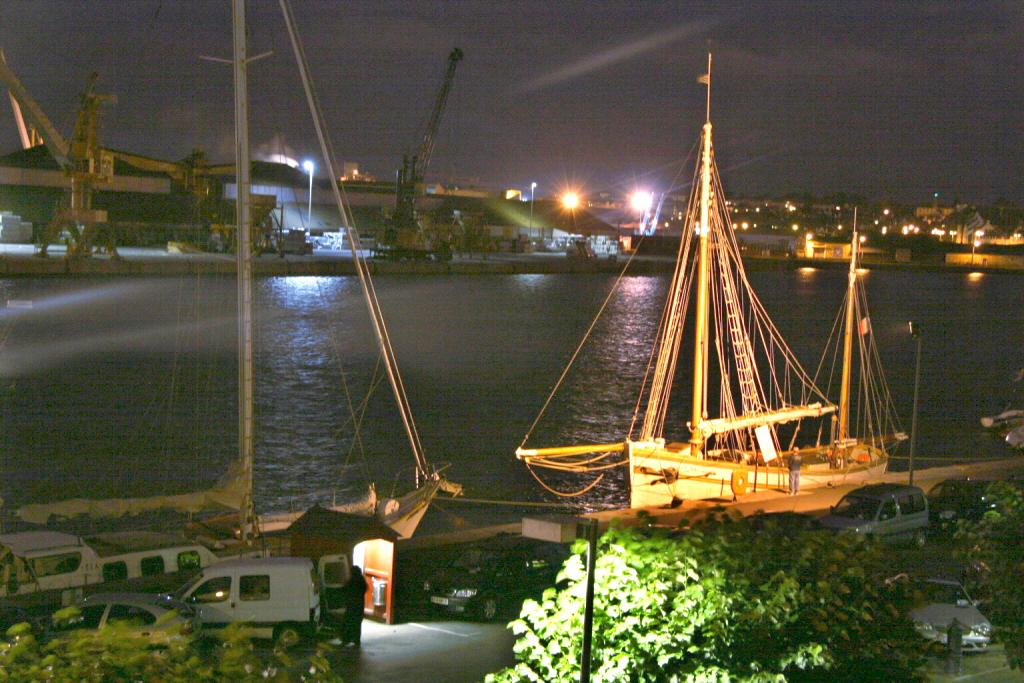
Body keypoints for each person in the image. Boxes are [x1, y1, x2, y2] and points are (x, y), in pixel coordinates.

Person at [341, 565, 367, 647]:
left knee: (348, 623)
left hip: (352, 607)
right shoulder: (362, 582)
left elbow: (345, 590)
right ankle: (356, 641)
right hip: (359, 607)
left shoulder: (352, 582)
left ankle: (346, 640)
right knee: (357, 624)